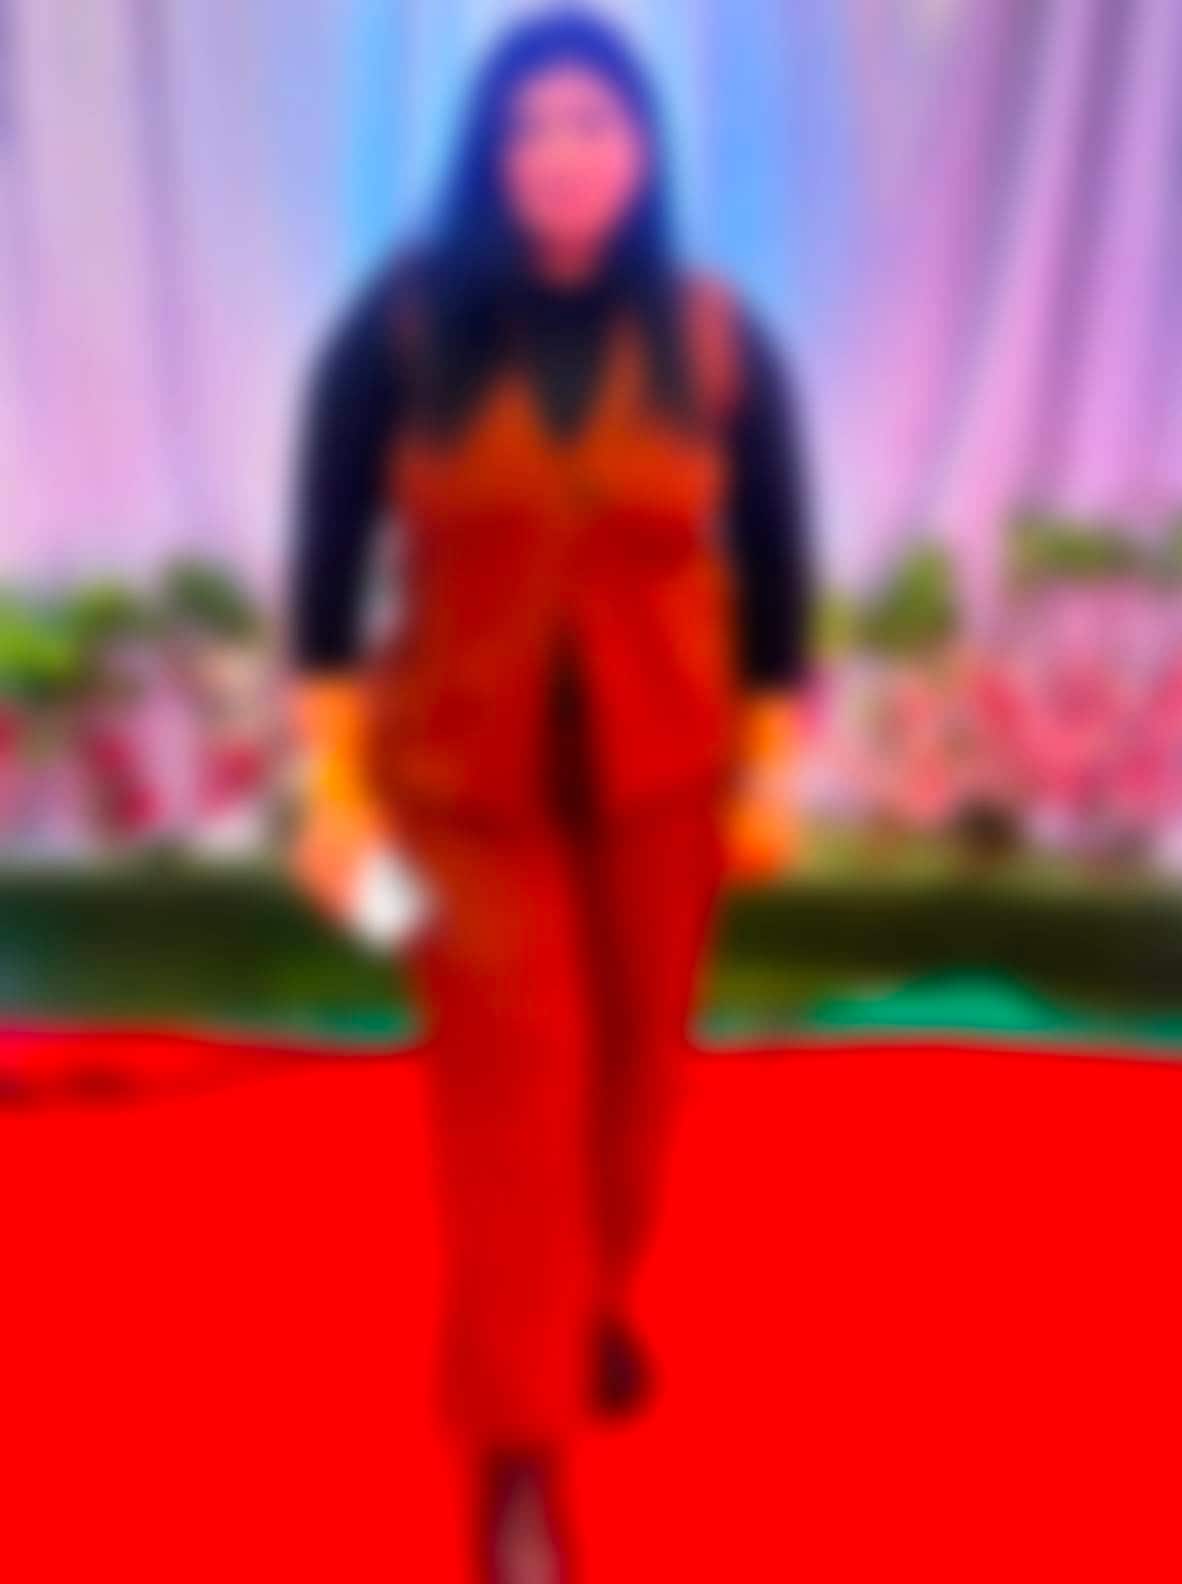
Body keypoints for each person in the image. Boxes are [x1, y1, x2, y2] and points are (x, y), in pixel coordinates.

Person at [289, 10, 812, 1580]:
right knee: (511, 1111)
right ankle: (519, 1456)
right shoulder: (399, 326)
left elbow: (778, 564)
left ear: (642, 148)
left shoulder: (716, 335)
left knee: (635, 1095)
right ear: (490, 154)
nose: (563, 155)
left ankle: (589, 1305)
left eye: (594, 123)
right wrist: (333, 796)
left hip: (667, 784)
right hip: (460, 791)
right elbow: (325, 567)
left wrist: (770, 769)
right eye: (530, 128)